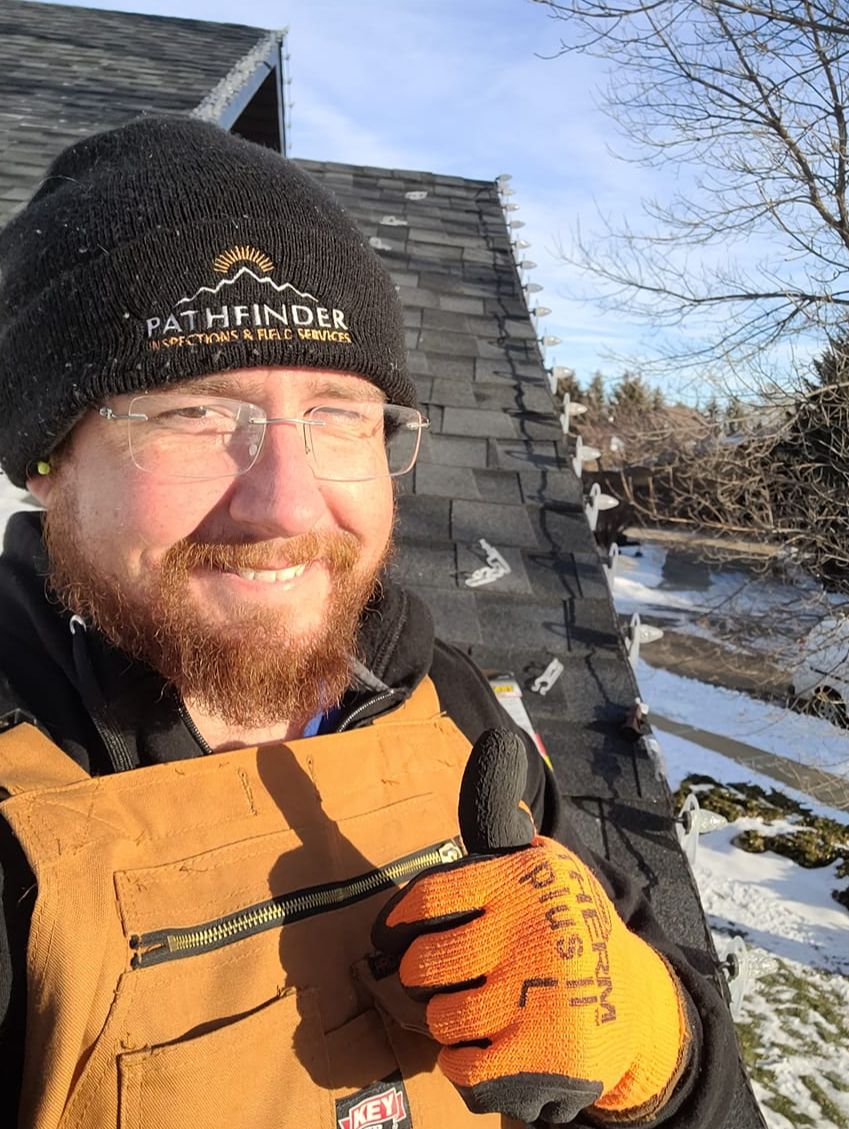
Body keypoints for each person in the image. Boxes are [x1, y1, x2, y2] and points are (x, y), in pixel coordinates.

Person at [0, 116, 735, 1129]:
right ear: (48, 461)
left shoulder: (450, 706)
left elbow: (701, 1075)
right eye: (194, 412)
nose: (289, 504)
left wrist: (656, 1050)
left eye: (341, 413)